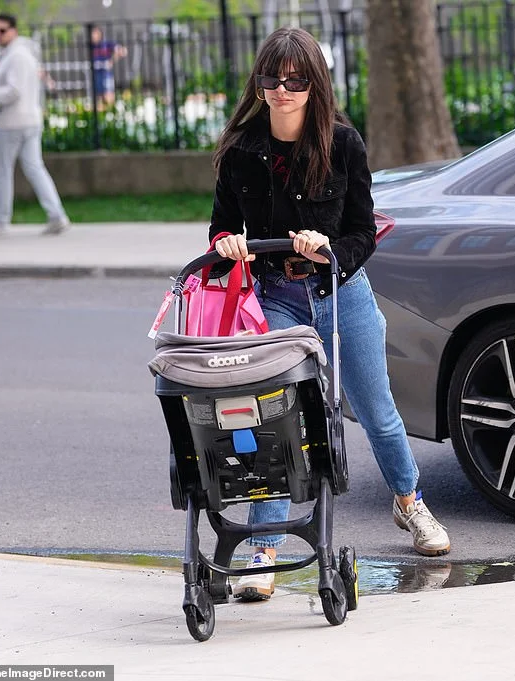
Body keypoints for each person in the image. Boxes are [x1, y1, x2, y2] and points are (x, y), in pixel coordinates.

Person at [208, 27, 451, 602]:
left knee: (377, 411)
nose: (284, 89)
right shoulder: (241, 148)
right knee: (273, 419)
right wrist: (226, 244)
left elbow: (363, 232)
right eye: (274, 78)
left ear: (315, 84)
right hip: (272, 296)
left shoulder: (342, 142)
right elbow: (220, 225)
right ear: (260, 83)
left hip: (340, 292)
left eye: (296, 79)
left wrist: (330, 251)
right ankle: (266, 544)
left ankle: (409, 502)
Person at [0, 14, 70, 237]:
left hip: (12, 123)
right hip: (29, 120)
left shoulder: (16, 56)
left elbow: (13, 92)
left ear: (13, 30)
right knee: (35, 168)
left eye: (2, 30)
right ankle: (56, 216)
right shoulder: (22, 54)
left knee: (3, 172)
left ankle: (1, 220)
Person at [89, 26, 127, 110]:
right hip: (96, 74)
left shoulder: (106, 44)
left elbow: (123, 51)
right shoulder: (91, 46)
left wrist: (111, 61)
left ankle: (110, 111)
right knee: (98, 97)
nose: (93, 36)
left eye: (95, 34)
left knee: (108, 96)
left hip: (106, 74)